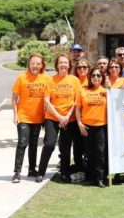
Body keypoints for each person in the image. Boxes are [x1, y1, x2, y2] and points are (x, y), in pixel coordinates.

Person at [38, 53, 81, 183]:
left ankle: (65, 173)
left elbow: (76, 101)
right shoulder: (50, 80)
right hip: (52, 117)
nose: (63, 64)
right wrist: (59, 117)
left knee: (66, 147)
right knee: (49, 144)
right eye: (60, 62)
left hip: (69, 118)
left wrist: (67, 116)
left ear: (69, 65)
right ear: (57, 65)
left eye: (65, 62)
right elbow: (46, 101)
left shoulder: (75, 80)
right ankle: (41, 172)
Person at [10, 53, 51, 183]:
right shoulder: (22, 78)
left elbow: (49, 99)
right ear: (29, 64)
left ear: (42, 65)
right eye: (33, 63)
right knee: (22, 143)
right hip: (23, 117)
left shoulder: (46, 79)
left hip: (38, 118)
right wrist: (15, 114)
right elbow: (14, 98)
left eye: (38, 63)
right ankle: (17, 172)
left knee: (33, 144)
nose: (35, 66)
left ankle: (32, 169)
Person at [76, 66, 108, 188]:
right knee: (89, 153)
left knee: (100, 153)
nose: (96, 77)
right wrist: (80, 124)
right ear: (90, 77)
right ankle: (91, 177)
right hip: (87, 126)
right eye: (93, 75)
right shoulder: (83, 91)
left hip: (101, 126)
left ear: (102, 78)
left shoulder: (106, 91)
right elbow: (77, 109)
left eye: (98, 75)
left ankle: (100, 178)